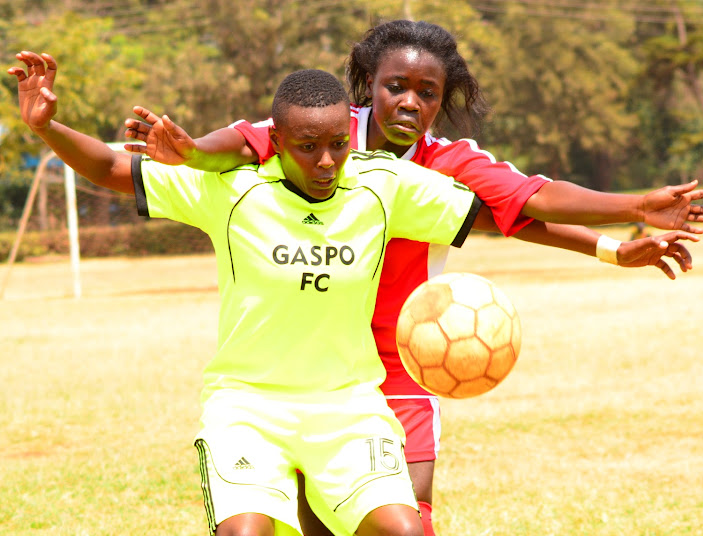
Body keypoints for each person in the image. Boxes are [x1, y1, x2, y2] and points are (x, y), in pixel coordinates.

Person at [120, 20, 703, 536]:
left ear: (443, 99)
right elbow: (238, 146)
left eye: (427, 92)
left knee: (411, 516)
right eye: (396, 86)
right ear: (369, 86)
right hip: (314, 365)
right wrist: (193, 151)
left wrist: (628, 222)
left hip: (407, 356)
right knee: (313, 519)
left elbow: (525, 207)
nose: (410, 101)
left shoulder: (454, 162)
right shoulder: (321, 135)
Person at [8, 51, 503, 536]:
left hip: (347, 407)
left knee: (403, 530)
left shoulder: (380, 185)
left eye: (337, 143)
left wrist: (585, 238)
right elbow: (112, 169)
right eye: (308, 146)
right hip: (247, 408)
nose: (327, 161)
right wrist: (46, 129)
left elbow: (507, 211)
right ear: (276, 141)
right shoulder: (231, 190)